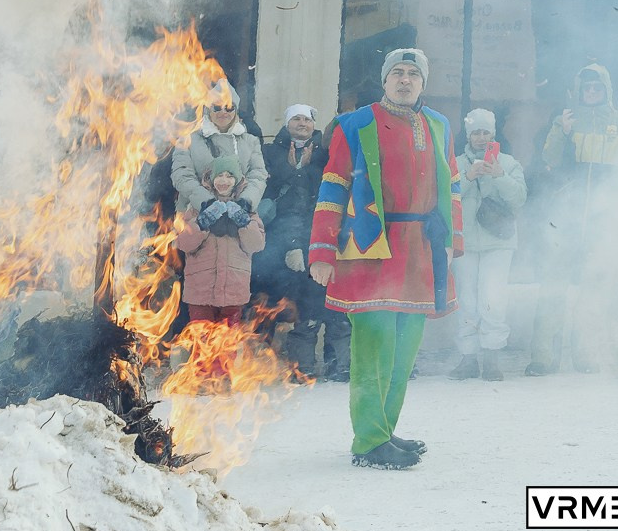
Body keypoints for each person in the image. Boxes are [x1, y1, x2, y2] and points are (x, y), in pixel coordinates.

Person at [309, 47, 462, 471]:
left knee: (403, 351)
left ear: (423, 82)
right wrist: (322, 251)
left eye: (414, 73)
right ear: (385, 79)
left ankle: (385, 430)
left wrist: (452, 241)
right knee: (374, 349)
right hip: (370, 249)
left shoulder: (439, 125)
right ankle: (369, 440)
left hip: (420, 250)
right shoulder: (354, 124)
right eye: (398, 72)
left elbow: (453, 186)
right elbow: (333, 186)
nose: (406, 80)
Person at [528, 62, 618, 376]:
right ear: (579, 91)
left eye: (597, 88)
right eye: (586, 88)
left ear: (606, 90)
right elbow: (548, 160)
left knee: (594, 289)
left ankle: (586, 354)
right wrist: (564, 131)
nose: (591, 92)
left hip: (601, 216)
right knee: (554, 286)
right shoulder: (565, 120)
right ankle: (544, 357)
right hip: (567, 216)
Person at [264, 104, 346, 379]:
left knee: (333, 304)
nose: (302, 124)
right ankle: (303, 367)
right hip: (285, 240)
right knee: (301, 306)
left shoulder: (324, 155)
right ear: (287, 124)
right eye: (296, 119)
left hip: (322, 236)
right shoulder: (272, 153)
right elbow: (276, 197)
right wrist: (292, 244)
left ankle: (339, 364)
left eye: (307, 119)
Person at [449, 109, 525, 382]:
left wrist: (499, 175)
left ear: (493, 134)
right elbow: (446, 198)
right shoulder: (455, 163)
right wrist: (468, 177)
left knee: (493, 298)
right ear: (468, 135)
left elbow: (519, 199)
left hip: (499, 241)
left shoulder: (508, 162)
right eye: (476, 133)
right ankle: (468, 358)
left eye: (486, 133)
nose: (481, 138)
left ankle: (492, 357)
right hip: (465, 241)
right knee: (466, 300)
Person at [176, 153, 266, 324]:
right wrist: (202, 223)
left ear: (238, 181)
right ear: (211, 179)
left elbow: (256, 245)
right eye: (219, 175)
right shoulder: (196, 209)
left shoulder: (248, 210)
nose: (224, 180)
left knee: (227, 345)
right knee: (201, 344)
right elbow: (184, 243)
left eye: (229, 176)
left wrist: (243, 221)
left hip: (233, 293)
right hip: (200, 293)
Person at [171, 80, 269, 214]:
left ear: (236, 111)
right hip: (196, 214)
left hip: (240, 216)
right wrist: (208, 203)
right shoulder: (187, 141)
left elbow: (258, 175)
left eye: (229, 107)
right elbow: (182, 176)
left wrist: (245, 202)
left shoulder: (250, 142)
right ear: (207, 110)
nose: (223, 112)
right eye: (217, 107)